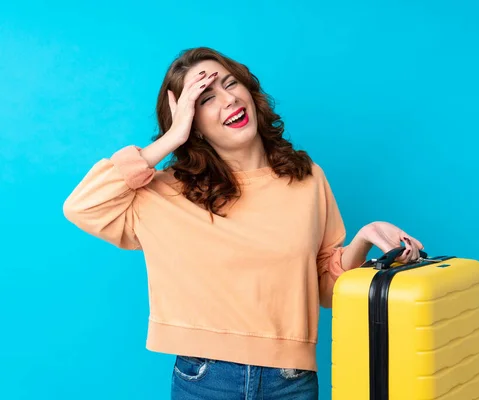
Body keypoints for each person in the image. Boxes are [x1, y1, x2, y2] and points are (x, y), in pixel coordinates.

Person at [63, 47, 425, 400]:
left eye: (230, 84)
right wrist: (172, 138)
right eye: (204, 98)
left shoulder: (307, 178)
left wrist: (362, 240)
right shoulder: (163, 192)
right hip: (205, 379)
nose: (227, 100)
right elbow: (83, 206)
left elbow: (326, 289)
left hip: (292, 380)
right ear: (192, 121)